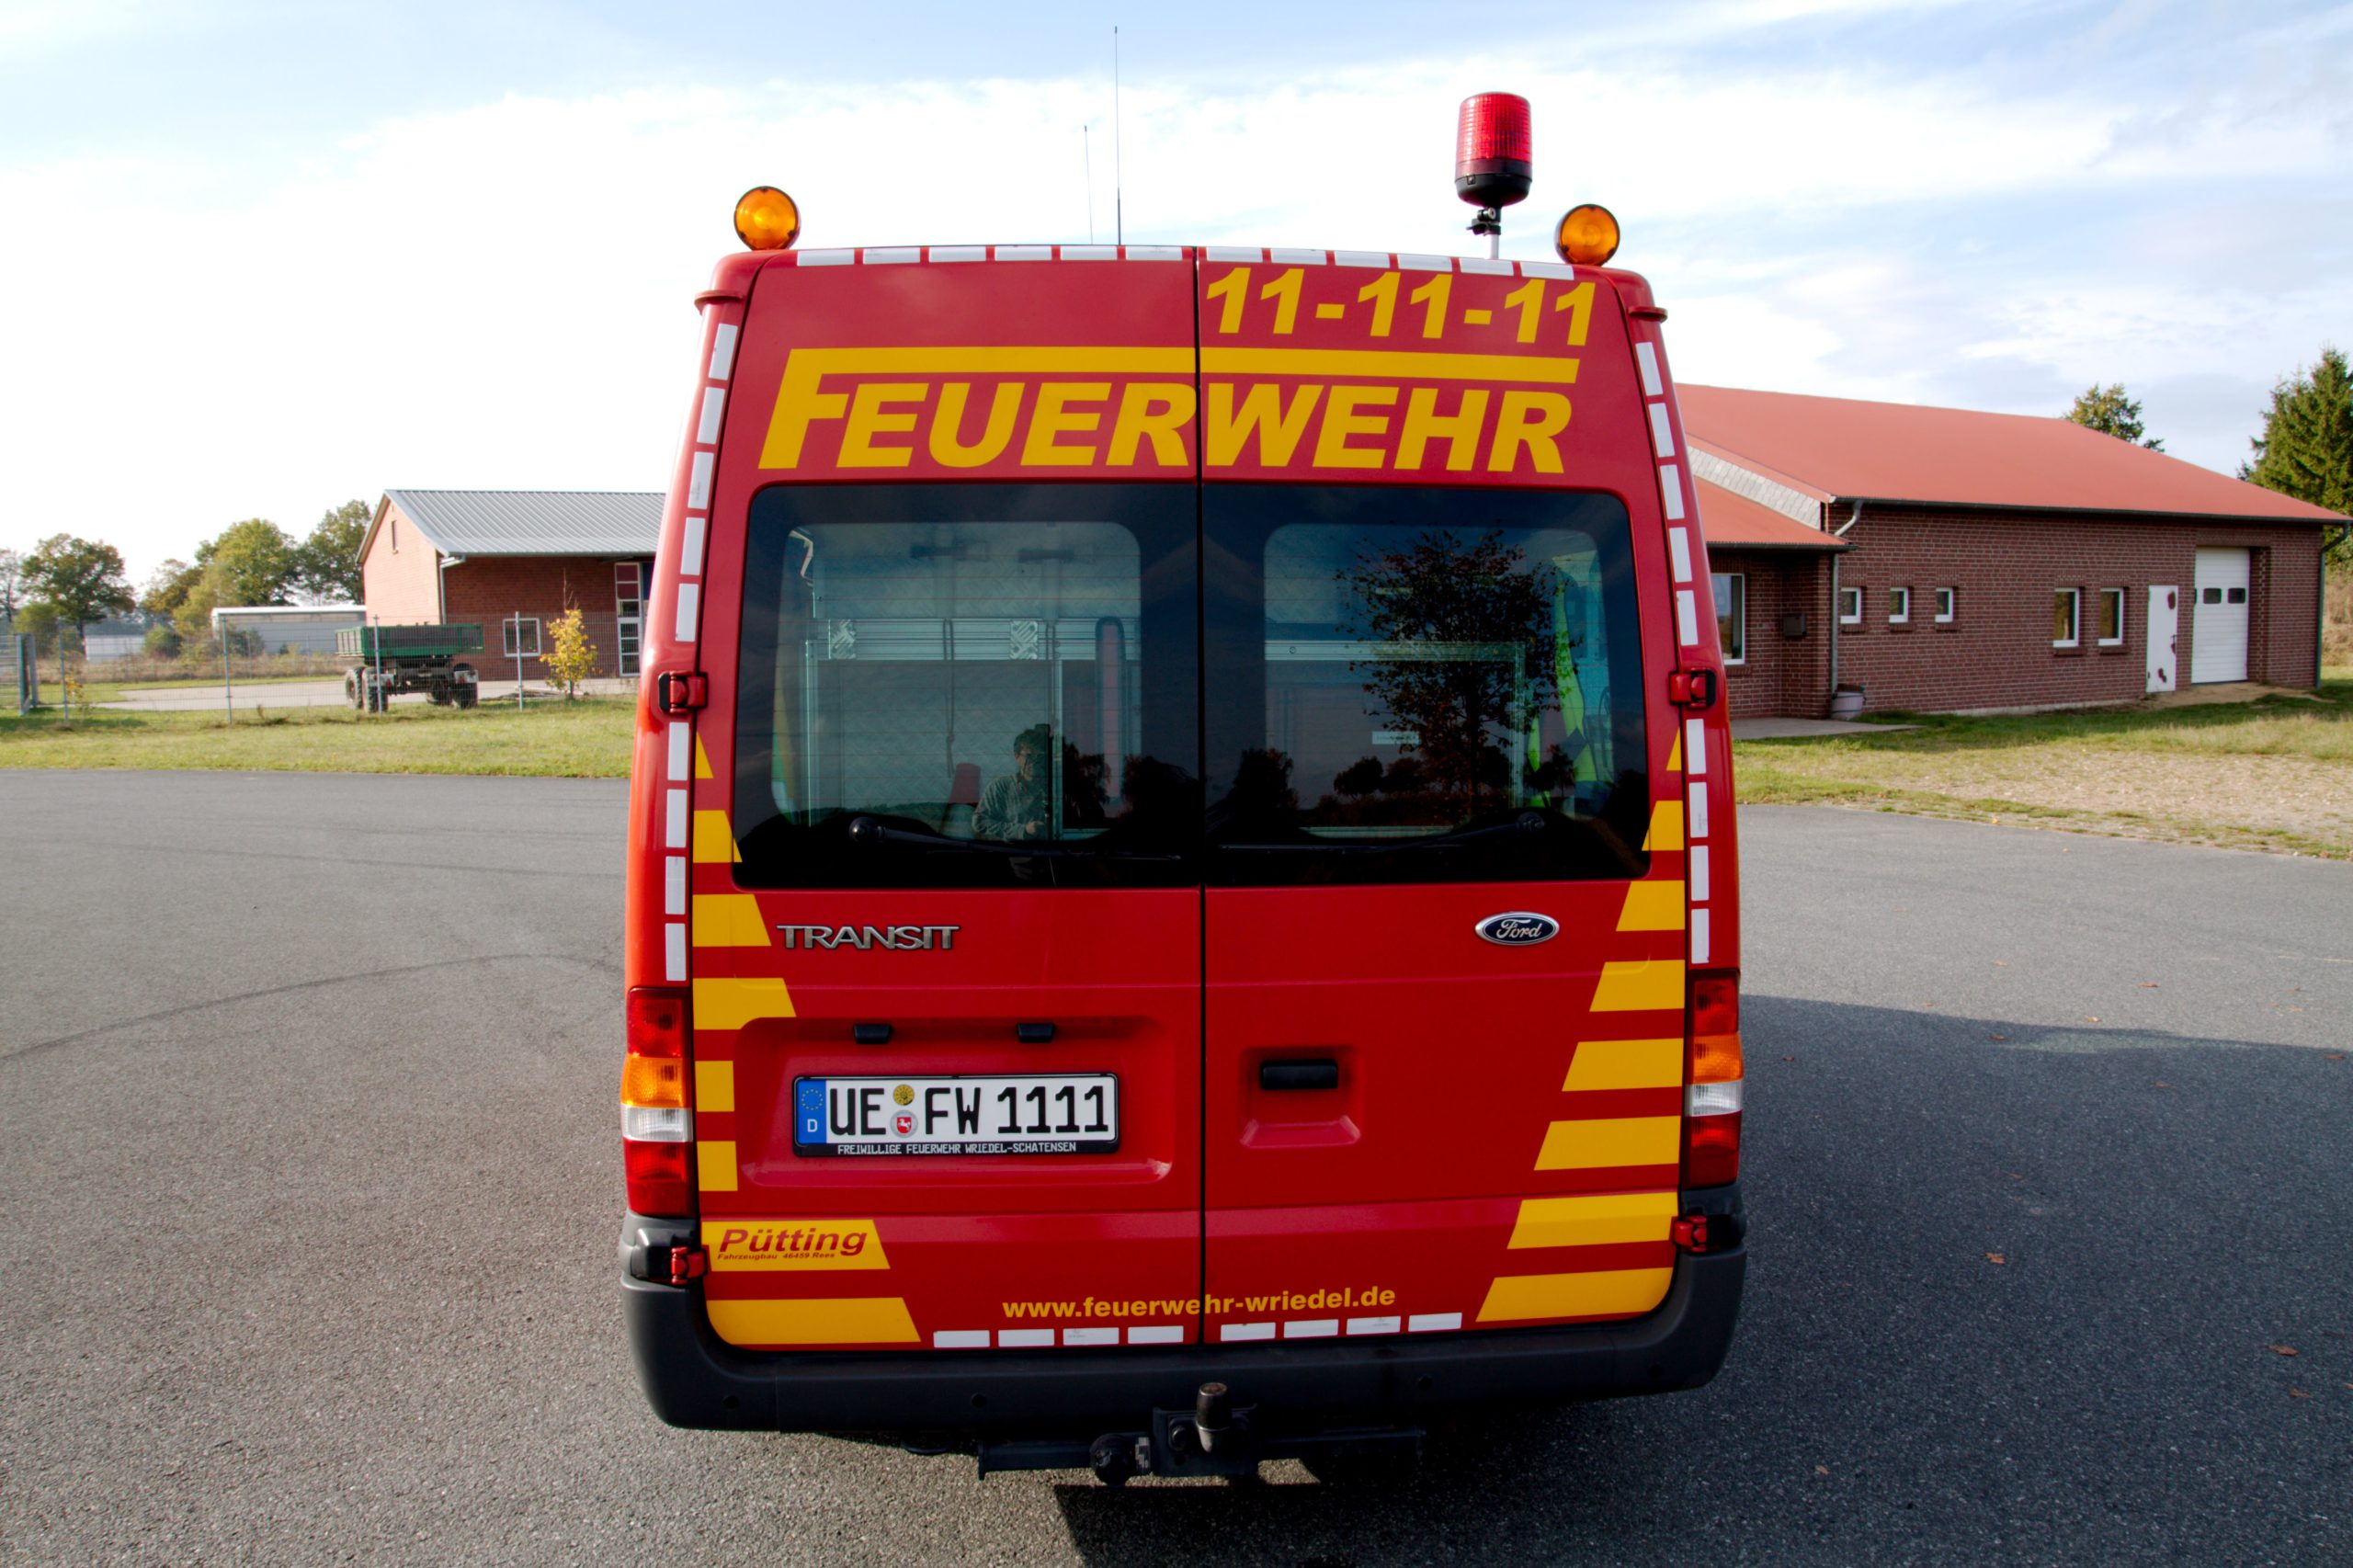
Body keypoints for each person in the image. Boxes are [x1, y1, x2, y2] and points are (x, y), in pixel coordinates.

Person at [972, 723, 1054, 842]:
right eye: (1029, 756)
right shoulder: (1001, 786)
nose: (1035, 761)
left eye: (1039, 756)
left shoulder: (1057, 787)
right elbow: (980, 822)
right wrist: (1022, 831)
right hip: (1014, 851)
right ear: (1017, 757)